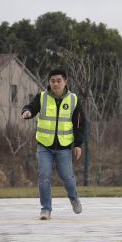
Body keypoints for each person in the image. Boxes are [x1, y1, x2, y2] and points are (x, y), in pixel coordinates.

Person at [21, 68, 86, 220]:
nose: (55, 84)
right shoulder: (42, 97)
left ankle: (74, 197)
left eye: (59, 81)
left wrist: (78, 144)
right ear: (49, 82)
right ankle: (45, 209)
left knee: (68, 178)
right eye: (52, 81)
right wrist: (27, 112)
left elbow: (80, 124)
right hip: (44, 146)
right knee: (44, 176)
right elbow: (31, 107)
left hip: (64, 147)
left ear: (65, 82)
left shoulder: (73, 100)